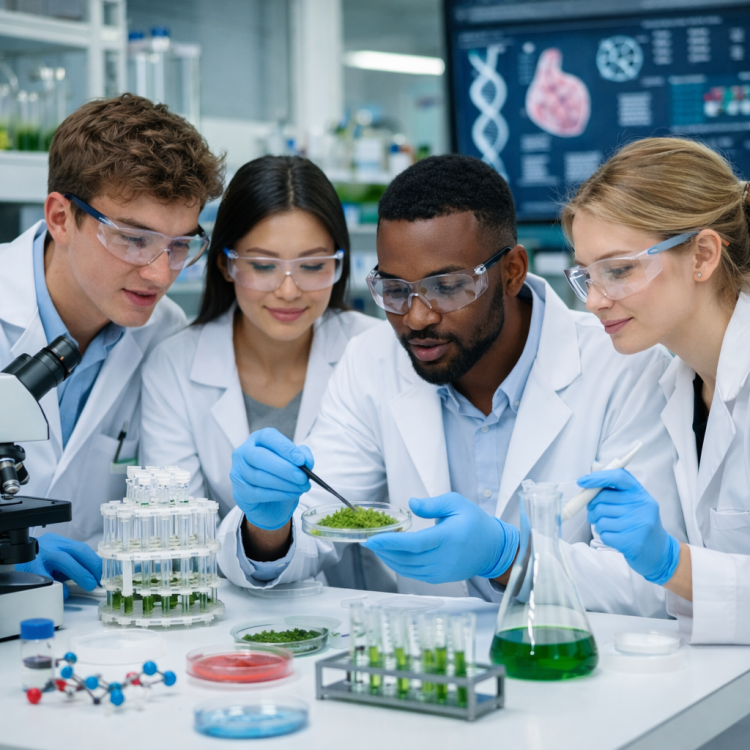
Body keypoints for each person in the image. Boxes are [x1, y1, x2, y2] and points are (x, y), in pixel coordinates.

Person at [218, 154, 686, 615]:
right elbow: (317, 525)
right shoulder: (373, 360)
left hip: (572, 668)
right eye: (396, 290)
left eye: (447, 286)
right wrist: (267, 523)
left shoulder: (624, 367)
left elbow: (651, 582)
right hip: (428, 667)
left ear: (512, 272)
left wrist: (508, 558)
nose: (417, 317)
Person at [0, 94, 224, 596]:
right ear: (61, 217)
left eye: (180, 244)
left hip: (88, 619)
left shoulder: (164, 329)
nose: (160, 272)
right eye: (133, 238)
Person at [140, 156, 380, 588]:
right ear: (226, 264)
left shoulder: (373, 353)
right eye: (264, 266)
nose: (288, 290)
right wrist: (261, 529)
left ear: (339, 264)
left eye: (312, 266)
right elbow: (176, 539)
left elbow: (349, 523)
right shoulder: (174, 364)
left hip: (362, 617)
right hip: (228, 623)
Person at [561, 137, 750, 644]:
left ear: (703, 255)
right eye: (586, 276)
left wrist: (671, 562)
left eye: (619, 271)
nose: (595, 302)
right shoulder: (677, 382)